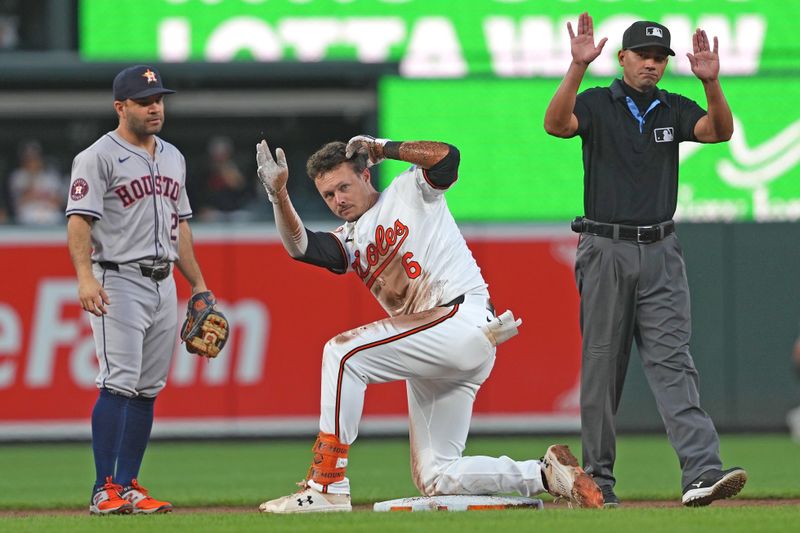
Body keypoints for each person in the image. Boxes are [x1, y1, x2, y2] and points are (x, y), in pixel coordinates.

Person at [253, 134, 605, 513]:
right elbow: (302, 247)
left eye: (343, 186)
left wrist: (381, 147)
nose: (338, 199)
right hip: (443, 342)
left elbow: (447, 158)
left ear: (366, 176)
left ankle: (326, 483)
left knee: (342, 353)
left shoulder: (408, 189)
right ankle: (544, 475)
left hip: (459, 318)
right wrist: (279, 197)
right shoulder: (350, 239)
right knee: (436, 477)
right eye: (328, 195)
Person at [543, 13, 747, 507]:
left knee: (674, 362)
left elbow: (719, 131)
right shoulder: (595, 102)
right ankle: (598, 482)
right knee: (602, 369)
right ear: (623, 58)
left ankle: (701, 472)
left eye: (660, 58)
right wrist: (575, 68)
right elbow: (555, 125)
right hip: (606, 247)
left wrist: (712, 83)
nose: (652, 65)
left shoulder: (671, 107)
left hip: (661, 249)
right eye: (644, 56)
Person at [66, 65, 215, 515]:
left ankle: (129, 484)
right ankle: (102, 488)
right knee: (118, 383)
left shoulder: (173, 155)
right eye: (145, 101)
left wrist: (200, 285)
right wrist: (85, 277)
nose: (155, 107)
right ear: (121, 107)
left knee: (148, 388)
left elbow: (180, 226)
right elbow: (78, 220)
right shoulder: (98, 156)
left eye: (159, 99)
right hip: (118, 279)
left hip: (163, 280)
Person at [8, 140, 66, 225]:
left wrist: (40, 196)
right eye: (29, 158)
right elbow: (18, 202)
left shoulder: (51, 176)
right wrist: (32, 176)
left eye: (35, 157)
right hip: (27, 217)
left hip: (51, 216)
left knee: (59, 218)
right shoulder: (17, 177)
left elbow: (59, 201)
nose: (32, 161)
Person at [197, 135, 253, 222]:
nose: (220, 158)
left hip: (236, 213)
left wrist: (234, 179)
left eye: (223, 154)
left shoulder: (237, 169)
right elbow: (200, 199)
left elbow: (246, 194)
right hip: (214, 214)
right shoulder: (205, 173)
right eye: (217, 155)